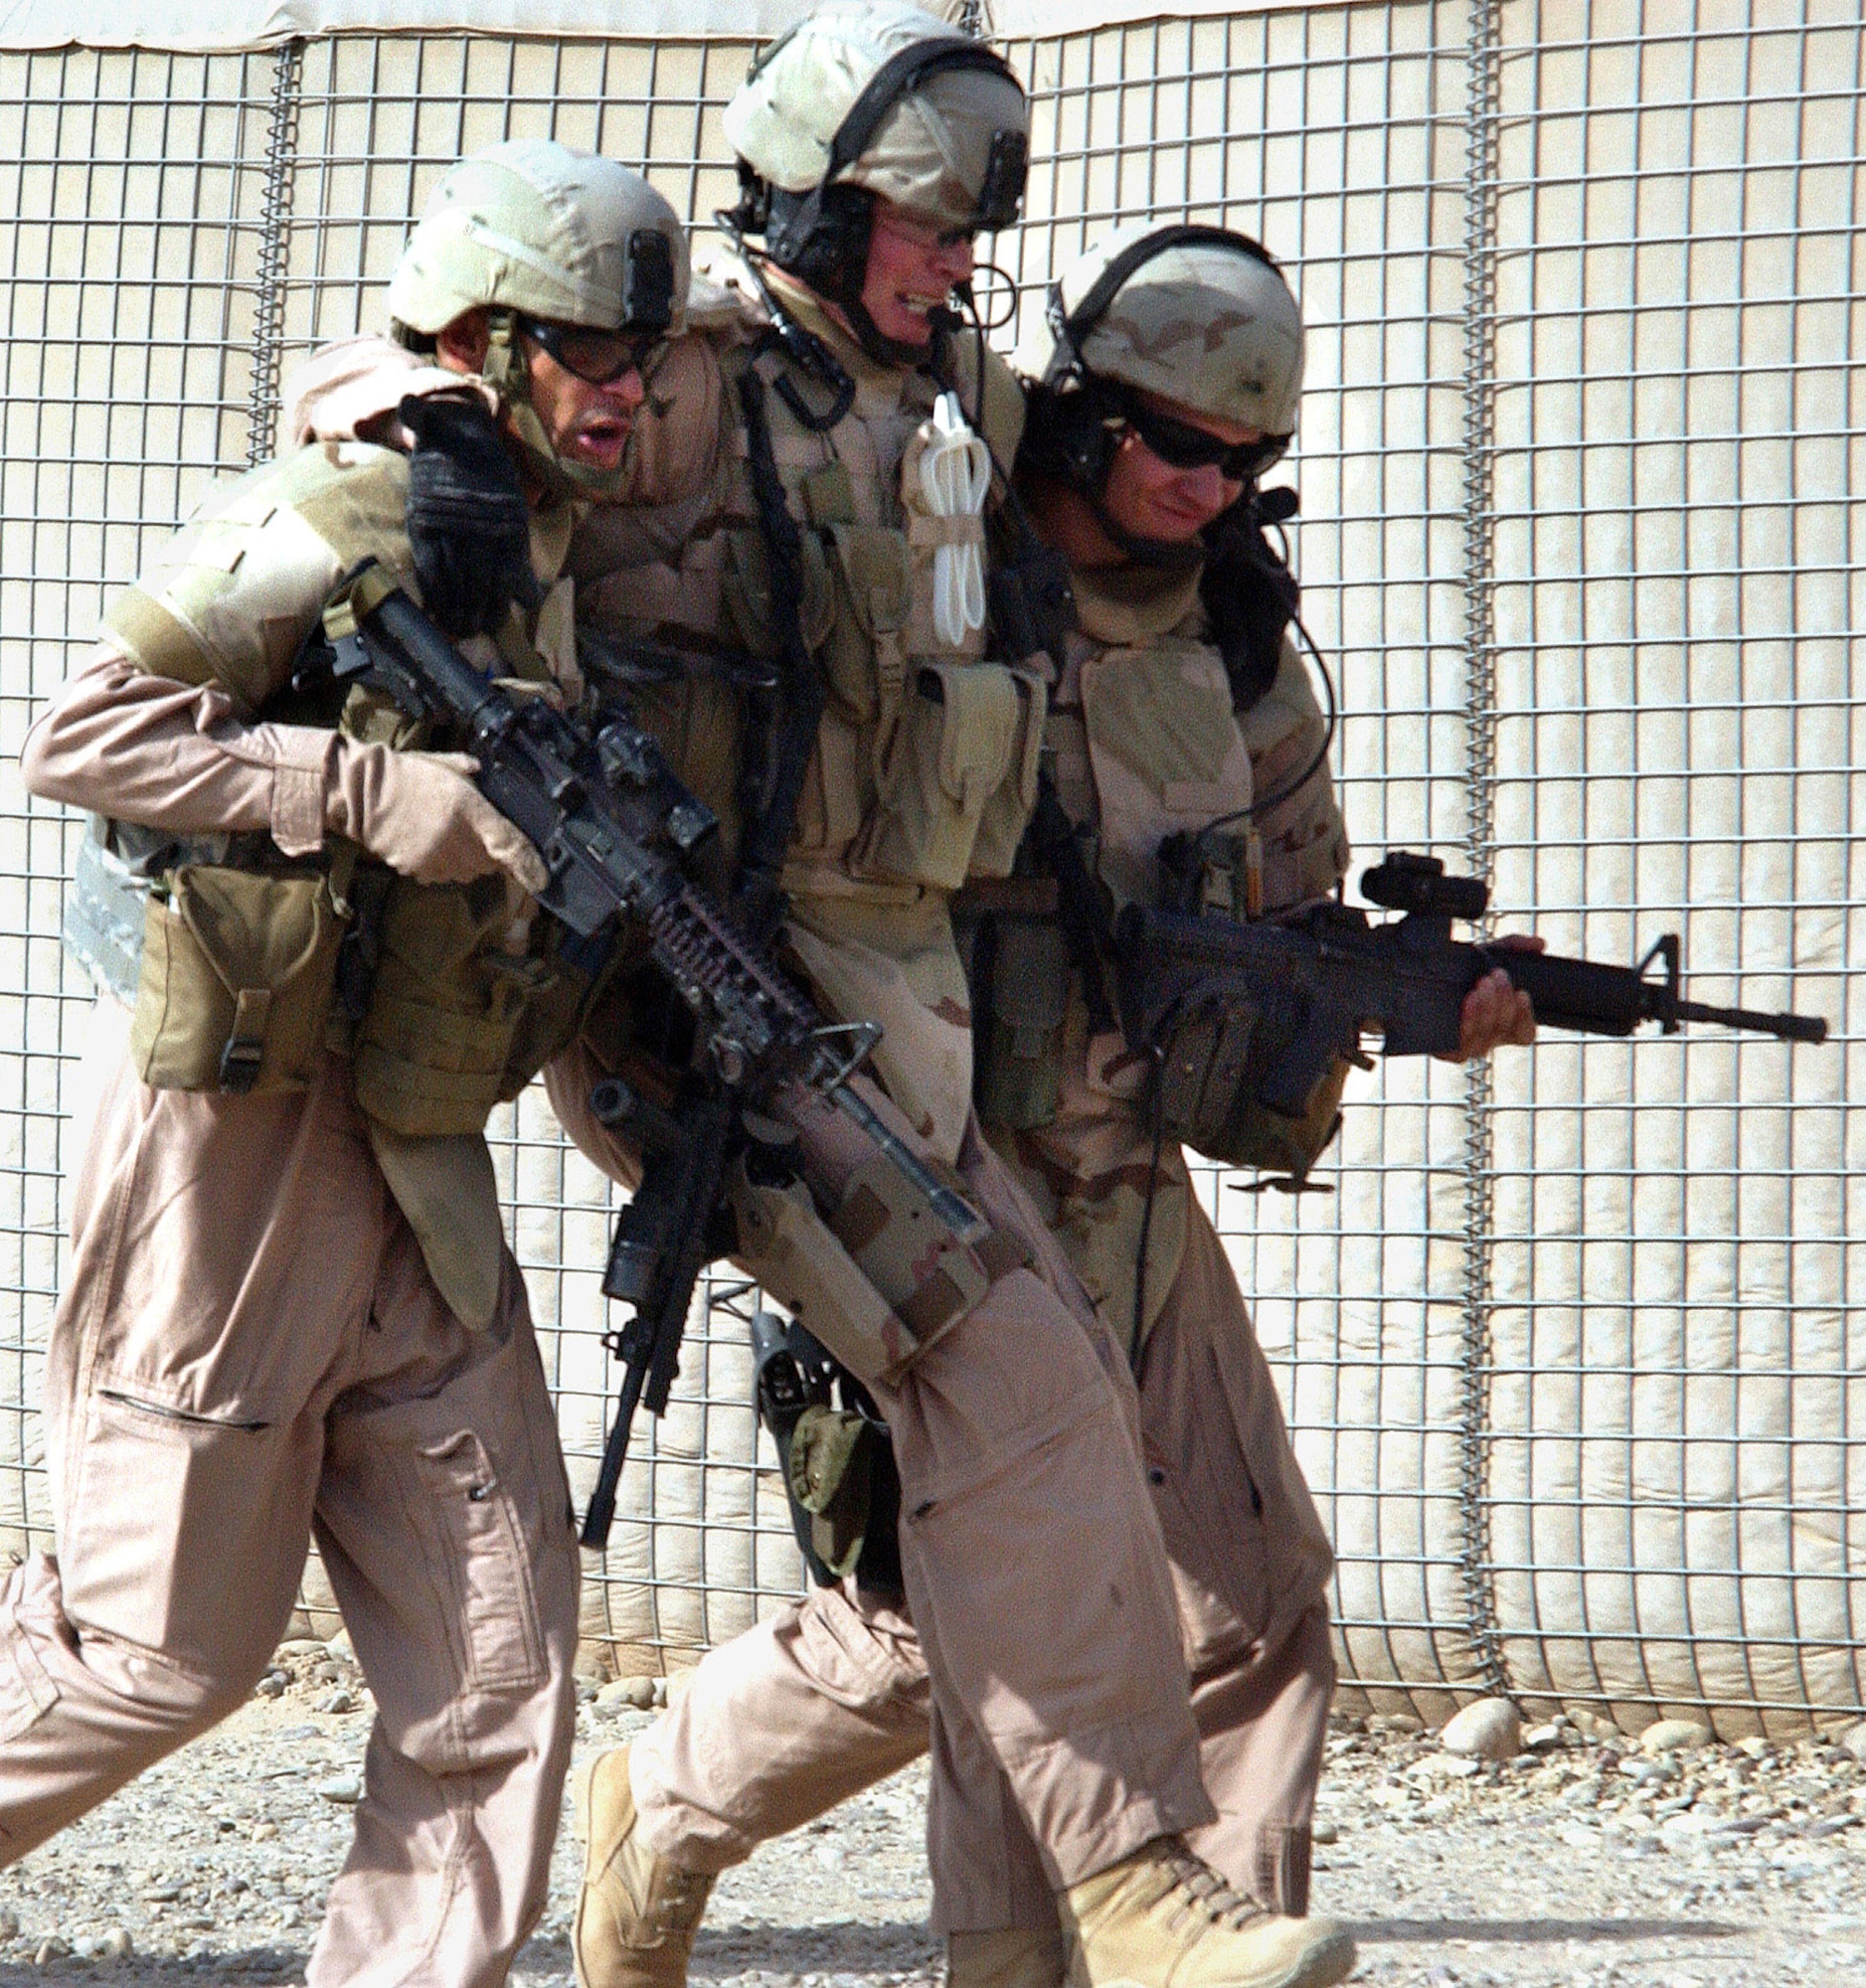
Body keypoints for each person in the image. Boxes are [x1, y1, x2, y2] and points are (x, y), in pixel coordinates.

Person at [565, 216, 1538, 1988]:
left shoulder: (1240, 637)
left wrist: (1398, 1006)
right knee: (991, 1615)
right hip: (923, 1148)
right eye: (1180, 441)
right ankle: (673, 1802)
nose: (1211, 484)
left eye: (1249, 458)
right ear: (1087, 417)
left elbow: (1270, 925)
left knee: (1246, 1605)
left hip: (1114, 1153)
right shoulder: (947, 544)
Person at [6, 138, 689, 1987]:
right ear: (480, 339)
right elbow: (90, 731)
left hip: (416, 1147)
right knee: (158, 1657)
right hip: (231, 1148)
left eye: (642, 356)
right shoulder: (358, 499)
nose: (627, 391)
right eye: (589, 355)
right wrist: (363, 791)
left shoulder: (531, 523)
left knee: (501, 1664)